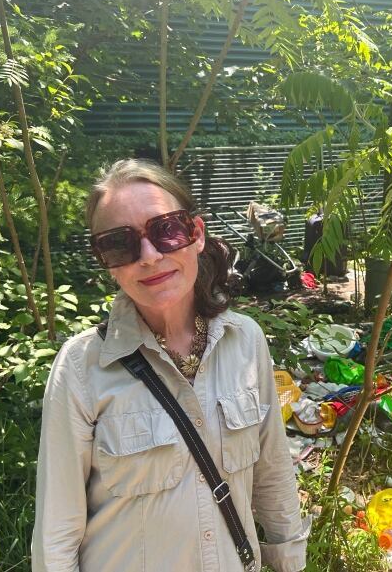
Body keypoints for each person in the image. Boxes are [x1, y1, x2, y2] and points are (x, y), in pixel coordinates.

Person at [32, 159, 309, 572]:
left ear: (196, 234)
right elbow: (57, 531)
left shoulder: (246, 340)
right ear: (105, 259)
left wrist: (289, 558)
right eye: (119, 244)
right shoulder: (81, 366)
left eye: (167, 230)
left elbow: (272, 472)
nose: (148, 256)